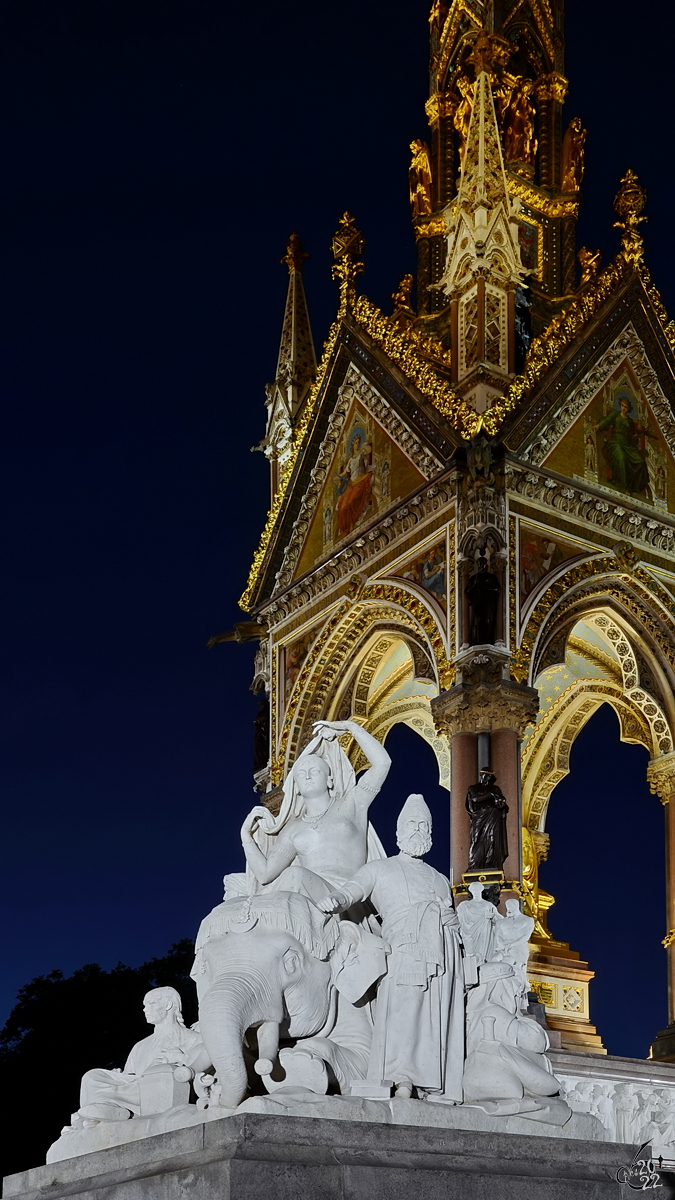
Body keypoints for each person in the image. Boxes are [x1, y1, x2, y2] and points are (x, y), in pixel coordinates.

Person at [318, 794, 465, 1102]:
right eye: (411, 824)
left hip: (443, 954)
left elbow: (449, 915)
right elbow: (353, 890)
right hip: (405, 952)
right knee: (402, 1013)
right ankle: (401, 1080)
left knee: (436, 1019)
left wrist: (450, 924)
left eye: (424, 825)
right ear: (398, 831)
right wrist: (336, 901)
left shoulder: (439, 879)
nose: (418, 830)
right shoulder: (380, 869)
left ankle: (432, 1084)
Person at [237, 719, 391, 901]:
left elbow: (383, 763)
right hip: (307, 896)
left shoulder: (352, 803)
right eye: (301, 774)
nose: (308, 776)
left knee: (293, 876)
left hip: (350, 894)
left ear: (329, 780)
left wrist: (351, 727)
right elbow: (265, 874)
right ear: (297, 787)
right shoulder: (292, 828)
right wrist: (246, 836)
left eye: (315, 771)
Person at [75, 988, 206, 1123]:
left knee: (162, 1076)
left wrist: (180, 1058)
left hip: (162, 1089)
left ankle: (109, 1107)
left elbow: (207, 1068)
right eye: (144, 1005)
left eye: (151, 1003)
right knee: (92, 1076)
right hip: (134, 1089)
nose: (145, 1009)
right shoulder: (140, 1046)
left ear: (168, 1005)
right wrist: (119, 1076)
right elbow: (130, 1076)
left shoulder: (194, 1038)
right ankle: (112, 1108)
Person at [596, 397, 649, 495]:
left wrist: (638, 435)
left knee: (640, 461)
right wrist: (598, 426)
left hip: (627, 444)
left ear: (629, 409)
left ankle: (634, 487)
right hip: (615, 442)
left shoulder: (629, 422)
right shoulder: (615, 414)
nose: (623, 408)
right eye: (622, 406)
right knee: (621, 458)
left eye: (626, 407)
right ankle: (622, 487)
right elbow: (606, 420)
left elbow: (631, 437)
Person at [466, 769, 509, 872]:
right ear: (482, 775)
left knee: (492, 838)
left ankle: (492, 863)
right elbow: (475, 799)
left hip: (493, 816)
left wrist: (501, 802)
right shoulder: (474, 788)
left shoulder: (495, 788)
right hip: (479, 816)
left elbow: (501, 801)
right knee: (476, 839)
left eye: (490, 776)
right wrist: (491, 795)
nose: (488, 778)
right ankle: (475, 863)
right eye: (486, 775)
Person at [335, 434, 375, 537]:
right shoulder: (351, 460)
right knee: (342, 505)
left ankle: (350, 526)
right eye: (355, 443)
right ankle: (345, 528)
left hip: (361, 481)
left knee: (350, 502)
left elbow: (369, 449)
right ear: (352, 445)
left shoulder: (362, 453)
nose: (357, 444)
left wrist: (362, 447)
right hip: (352, 484)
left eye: (358, 442)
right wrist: (336, 477)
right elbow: (345, 473)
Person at [465, 556, 500, 645]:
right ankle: (475, 642)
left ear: (486, 566)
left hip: (488, 604)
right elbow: (467, 592)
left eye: (483, 565)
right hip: (477, 604)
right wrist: (475, 585)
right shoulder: (474, 578)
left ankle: (489, 641)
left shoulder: (491, 577)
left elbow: (497, 590)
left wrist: (484, 588)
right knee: (477, 622)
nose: (481, 567)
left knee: (488, 622)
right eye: (479, 565)